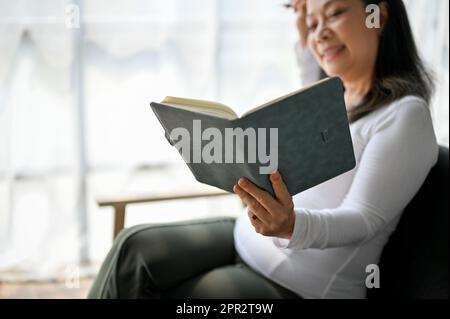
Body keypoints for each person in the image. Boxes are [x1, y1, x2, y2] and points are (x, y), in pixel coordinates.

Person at [88, 0, 438, 299]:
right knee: (135, 247)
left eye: (334, 14)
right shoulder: (337, 98)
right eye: (313, 23)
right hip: (248, 240)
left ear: (380, 15)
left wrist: (291, 225)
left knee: (184, 295)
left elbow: (364, 219)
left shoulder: (405, 115)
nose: (319, 33)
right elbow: (309, 61)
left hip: (298, 286)